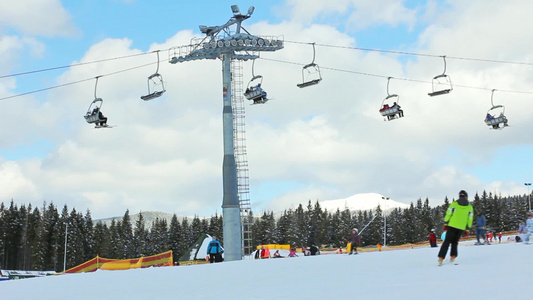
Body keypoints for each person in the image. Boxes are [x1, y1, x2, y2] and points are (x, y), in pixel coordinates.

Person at [437, 190, 474, 265]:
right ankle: (453, 256)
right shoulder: (469, 207)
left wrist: (446, 222)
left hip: (452, 225)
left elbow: (449, 213)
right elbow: (470, 218)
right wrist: (467, 229)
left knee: (447, 241)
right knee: (455, 242)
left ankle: (441, 258)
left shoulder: (454, 204)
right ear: (466, 197)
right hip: (461, 227)